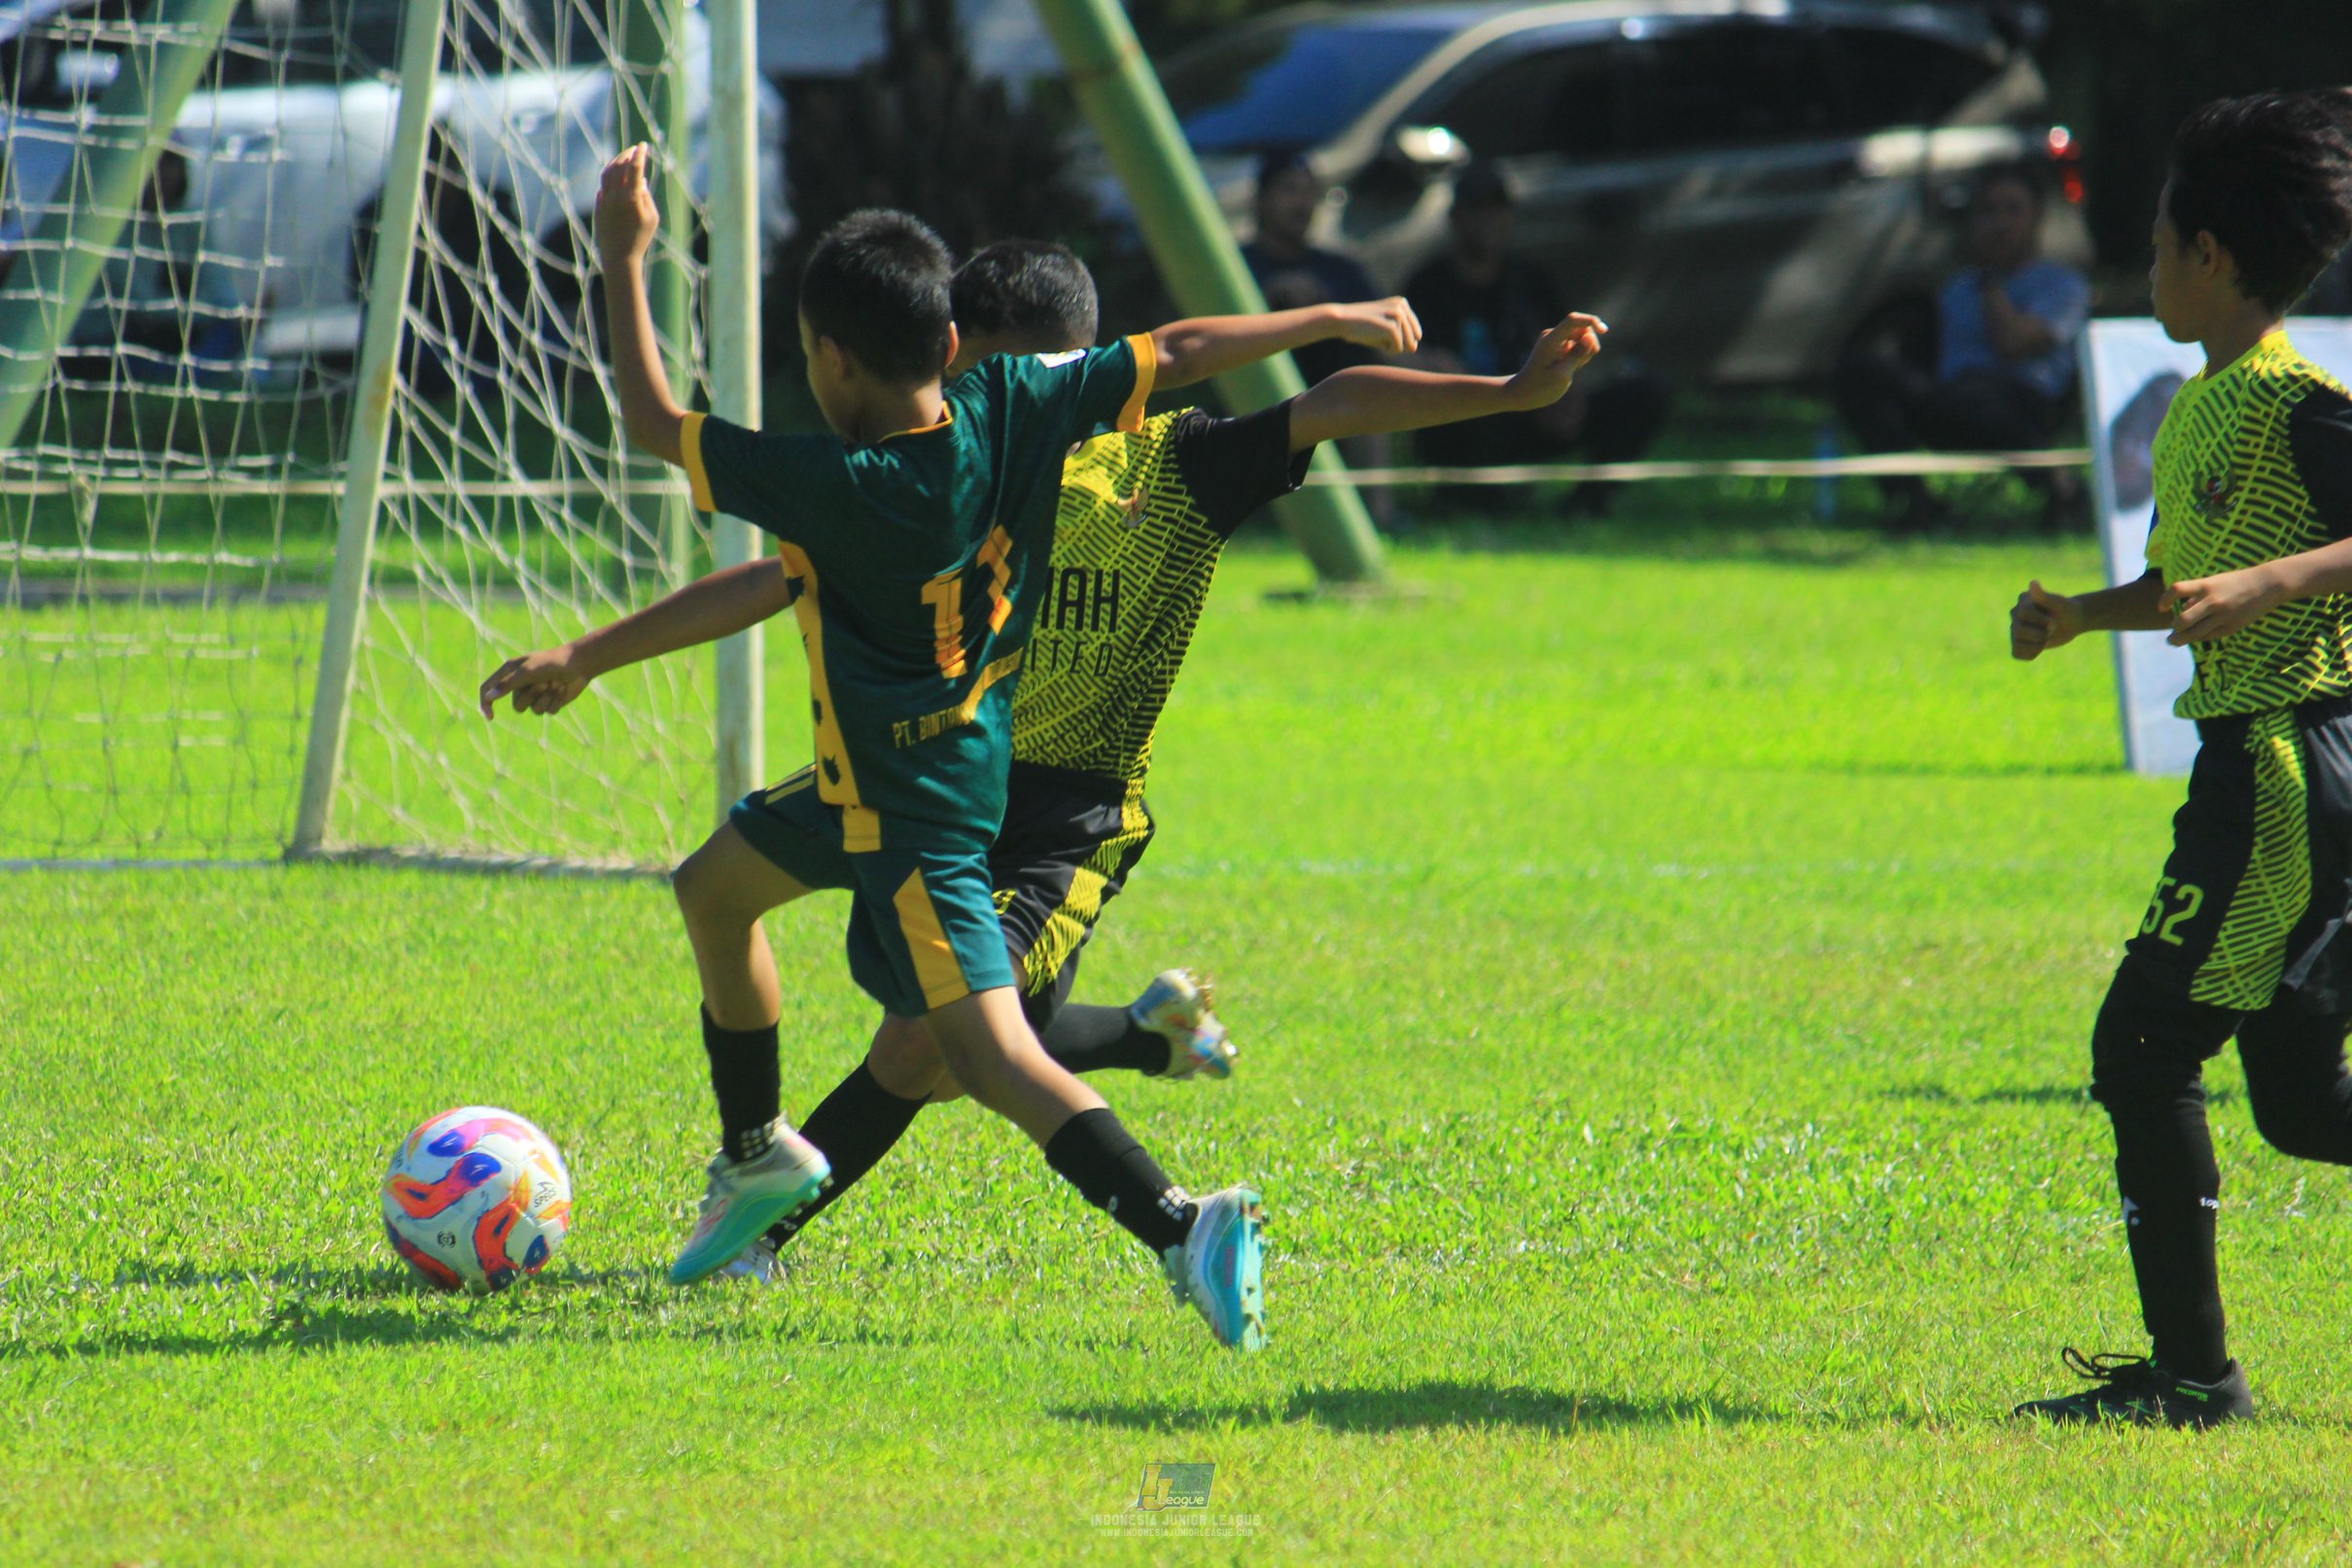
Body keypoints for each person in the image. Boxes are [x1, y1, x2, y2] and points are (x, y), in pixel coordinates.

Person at [478, 148, 1420, 1350]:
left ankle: (1184, 1224)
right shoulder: (1013, 407)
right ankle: (760, 1153)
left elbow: (655, 422)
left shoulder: (848, 483)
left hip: (918, 808)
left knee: (990, 1057)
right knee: (715, 889)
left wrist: (622, 257)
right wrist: (1331, 315)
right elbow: (1178, 350)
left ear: (831, 359)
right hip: (902, 771)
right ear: (950, 348)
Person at [732, 245, 1604, 1279]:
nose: (992, 394)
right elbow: (793, 575)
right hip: (929, 774)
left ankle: (759, 1236)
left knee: (934, 1041)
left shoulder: (1169, 464)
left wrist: (1508, 392)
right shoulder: (948, 470)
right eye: (971, 372)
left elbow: (1330, 404)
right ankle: (1151, 1036)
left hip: (1068, 816)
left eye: (1011, 370)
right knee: (954, 1025)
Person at [2007, 89, 2352, 1429]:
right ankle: (2189, 1378)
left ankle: (2192, 1384)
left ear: (2206, 256)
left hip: (2280, 768)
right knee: (2296, 1103)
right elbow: (2184, 583)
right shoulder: (2205, 408)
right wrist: (2081, 616)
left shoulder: (2295, 404)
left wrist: (2269, 584)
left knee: (2140, 1046)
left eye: (2152, 245)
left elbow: (2257, 577)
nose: (2141, 269)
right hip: (2257, 768)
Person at [1403, 162, 1668, 518]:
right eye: (1476, 209)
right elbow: (1414, 365)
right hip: (1471, 416)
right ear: (1455, 217)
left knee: (1644, 391)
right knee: (1475, 414)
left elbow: (1564, 344)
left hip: (1535, 406)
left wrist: (1565, 391)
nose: (1487, 220)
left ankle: (1589, 505)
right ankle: (1476, 501)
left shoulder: (1528, 280)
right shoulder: (1427, 286)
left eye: (1497, 208)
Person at [1836, 165, 2091, 532]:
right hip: (1948, 399)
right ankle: (1917, 503)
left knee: (1977, 398)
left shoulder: (2065, 287)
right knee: (1858, 371)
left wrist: (1990, 285)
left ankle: (2062, 488)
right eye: (1988, 212)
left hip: (2021, 403)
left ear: (2039, 219)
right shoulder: (1956, 288)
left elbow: (2014, 344)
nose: (2000, 224)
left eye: (2013, 210)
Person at [1241, 151, 1400, 528]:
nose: (1301, 203)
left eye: (1310, 192)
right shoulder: (1238, 267)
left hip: (1341, 390)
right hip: (1263, 394)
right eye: (1289, 190)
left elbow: (1385, 333)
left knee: (1367, 375)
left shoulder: (1341, 270)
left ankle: (1381, 513)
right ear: (1260, 200)